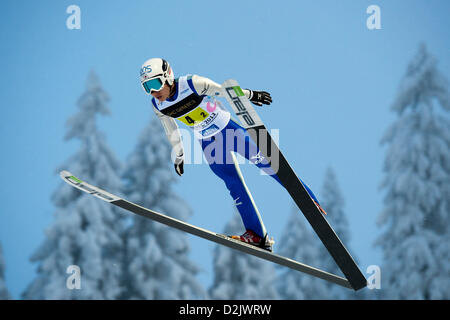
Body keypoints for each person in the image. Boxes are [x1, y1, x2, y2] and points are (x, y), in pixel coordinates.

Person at [140, 58, 326, 251]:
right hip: (208, 143)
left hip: (229, 131)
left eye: (155, 84)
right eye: (147, 88)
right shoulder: (158, 105)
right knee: (233, 185)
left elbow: (223, 91)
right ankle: (256, 235)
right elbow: (171, 131)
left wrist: (250, 95)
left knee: (269, 164)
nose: (153, 92)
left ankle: (308, 200)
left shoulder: (191, 83)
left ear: (168, 76)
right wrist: (179, 155)